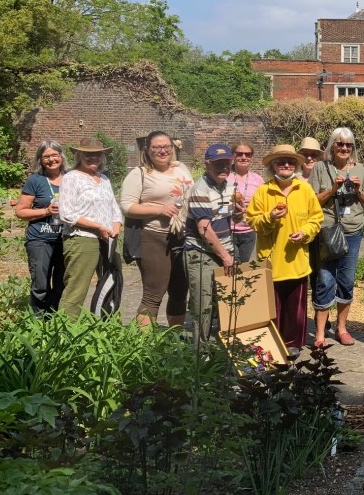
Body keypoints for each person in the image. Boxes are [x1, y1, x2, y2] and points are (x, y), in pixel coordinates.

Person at [248, 144, 323, 353]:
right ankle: (270, 347)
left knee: (294, 309)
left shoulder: (305, 189)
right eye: (281, 162)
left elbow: (316, 219)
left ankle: (292, 346)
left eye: (291, 162)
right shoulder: (264, 191)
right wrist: (270, 217)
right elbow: (252, 220)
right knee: (271, 310)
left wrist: (305, 232)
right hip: (271, 260)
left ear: (296, 166)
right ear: (273, 165)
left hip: (296, 260)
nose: (286, 165)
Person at [308, 128, 364, 349]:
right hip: (327, 231)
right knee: (325, 279)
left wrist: (358, 190)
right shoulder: (320, 168)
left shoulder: (360, 169)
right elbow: (312, 201)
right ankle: (320, 334)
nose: (344, 148)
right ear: (332, 145)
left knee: (346, 280)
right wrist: (333, 189)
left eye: (348, 145)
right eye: (340, 144)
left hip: (353, 231)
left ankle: (342, 328)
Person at [120, 131, 193, 328]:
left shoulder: (181, 168)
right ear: (147, 150)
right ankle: (144, 343)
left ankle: (174, 338)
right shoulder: (140, 174)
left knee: (179, 291)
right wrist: (159, 210)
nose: (162, 151)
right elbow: (127, 207)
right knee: (154, 292)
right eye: (157, 147)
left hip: (181, 237)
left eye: (166, 146)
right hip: (153, 237)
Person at [57, 137, 124, 317]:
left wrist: (116, 227)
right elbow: (66, 213)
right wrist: (98, 227)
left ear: (102, 156)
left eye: (97, 154)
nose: (93, 158)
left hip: (107, 239)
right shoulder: (72, 178)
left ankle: (105, 325)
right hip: (82, 239)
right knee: (77, 288)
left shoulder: (104, 179)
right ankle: (65, 328)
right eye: (88, 154)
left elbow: (114, 209)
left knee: (111, 284)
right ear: (79, 156)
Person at [184, 144, 241, 347]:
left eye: (227, 163)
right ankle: (200, 351)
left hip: (223, 250)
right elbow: (204, 230)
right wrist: (226, 257)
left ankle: (222, 347)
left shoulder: (229, 185)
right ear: (207, 164)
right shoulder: (200, 189)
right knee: (203, 303)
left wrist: (239, 213)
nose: (224, 167)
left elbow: (228, 218)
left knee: (225, 301)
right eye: (218, 164)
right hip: (202, 253)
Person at [15, 140, 68, 314]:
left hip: (66, 239)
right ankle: (39, 322)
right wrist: (46, 211)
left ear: (61, 156)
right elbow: (20, 211)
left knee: (62, 283)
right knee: (40, 284)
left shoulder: (72, 178)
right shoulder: (35, 180)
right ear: (40, 159)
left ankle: (56, 319)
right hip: (40, 239)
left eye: (55, 155)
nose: (51, 159)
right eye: (46, 156)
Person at [230, 141, 265, 264]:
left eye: (247, 154)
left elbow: (263, 204)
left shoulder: (258, 180)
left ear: (252, 157)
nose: (243, 157)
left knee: (244, 267)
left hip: (249, 230)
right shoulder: (225, 177)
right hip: (228, 230)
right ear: (233, 156)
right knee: (230, 266)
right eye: (239, 154)